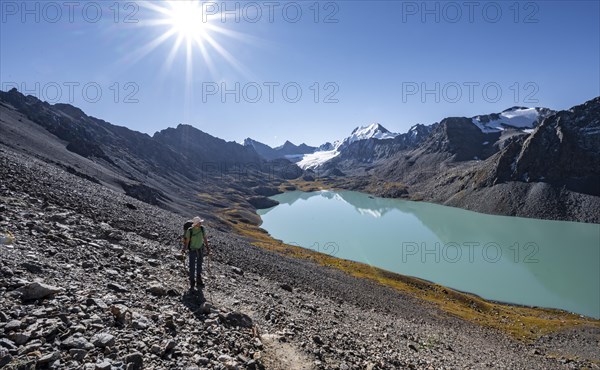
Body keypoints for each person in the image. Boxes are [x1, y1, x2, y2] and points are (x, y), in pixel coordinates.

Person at [182, 216, 210, 290]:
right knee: (192, 266)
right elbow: (187, 242)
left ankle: (198, 279)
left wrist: (207, 248)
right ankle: (192, 281)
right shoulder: (190, 230)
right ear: (196, 224)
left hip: (200, 249)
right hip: (192, 250)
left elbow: (205, 238)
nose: (201, 223)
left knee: (199, 265)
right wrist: (184, 249)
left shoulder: (202, 228)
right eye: (199, 222)